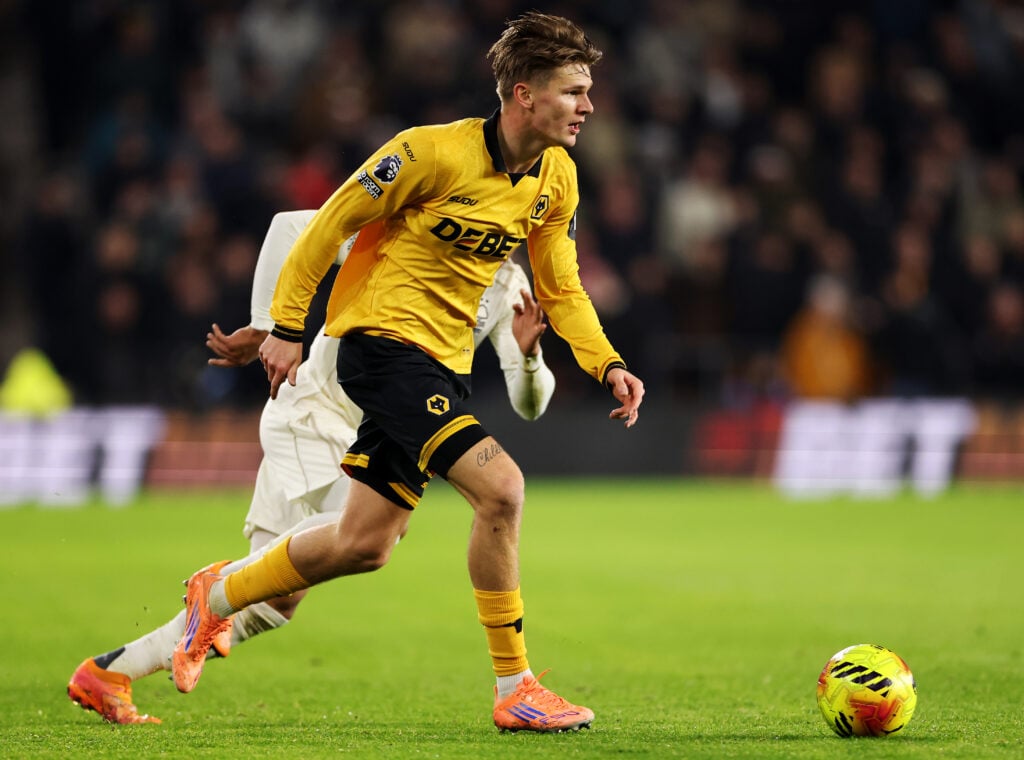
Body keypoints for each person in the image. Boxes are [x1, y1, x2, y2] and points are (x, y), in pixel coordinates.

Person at [173, 12, 645, 734]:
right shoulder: (426, 155)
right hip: (381, 348)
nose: (588, 106)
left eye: (588, 91)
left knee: (365, 543)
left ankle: (220, 594)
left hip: (442, 364)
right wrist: (288, 327)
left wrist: (606, 363)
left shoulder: (556, 178)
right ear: (523, 94)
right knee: (503, 490)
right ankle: (515, 686)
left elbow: (563, 288)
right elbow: (327, 223)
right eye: (574, 91)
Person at [66, 209, 556, 725]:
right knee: (371, 535)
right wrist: (267, 325)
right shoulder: (414, 226)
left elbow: (530, 403)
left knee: (274, 601)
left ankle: (108, 673)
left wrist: (527, 357)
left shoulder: (507, 288)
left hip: (370, 430)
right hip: (315, 412)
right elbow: (290, 227)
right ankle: (215, 585)